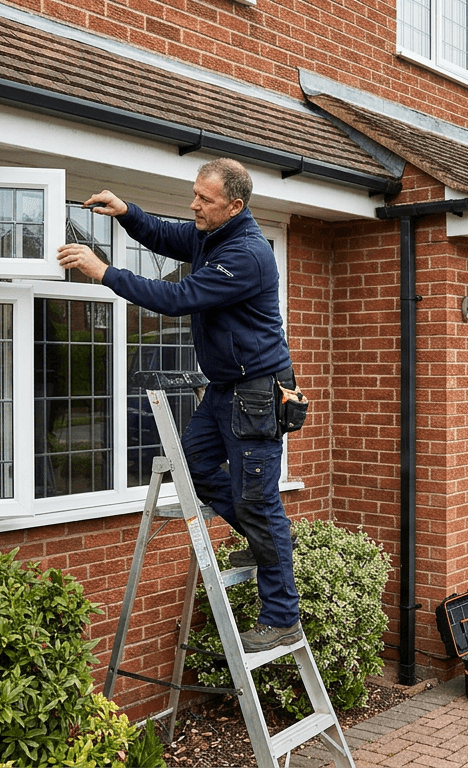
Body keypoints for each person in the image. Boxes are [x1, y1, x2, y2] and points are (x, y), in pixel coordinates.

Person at [58, 158, 302, 653]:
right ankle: (267, 542)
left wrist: (102, 271)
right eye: (194, 194)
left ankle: (282, 615)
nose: (194, 205)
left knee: (258, 500)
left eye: (204, 199)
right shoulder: (211, 235)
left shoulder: (248, 254)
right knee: (191, 466)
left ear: (234, 206)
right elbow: (170, 237)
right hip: (223, 390)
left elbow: (178, 297)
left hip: (256, 393)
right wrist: (127, 212)